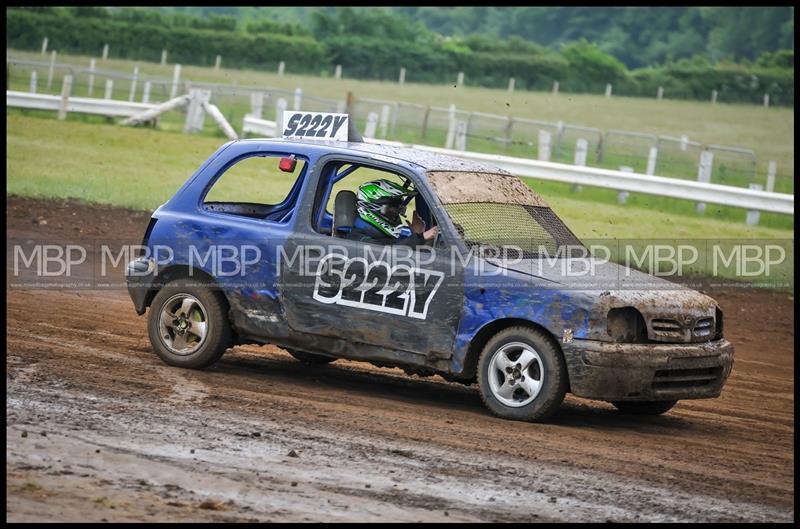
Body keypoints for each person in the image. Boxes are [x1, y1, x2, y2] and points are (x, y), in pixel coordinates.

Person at [346, 178, 439, 246]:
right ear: (370, 208)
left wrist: (417, 234)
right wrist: (421, 238)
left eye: (399, 209)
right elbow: (388, 254)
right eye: (391, 209)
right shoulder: (358, 239)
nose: (396, 214)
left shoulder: (380, 235)